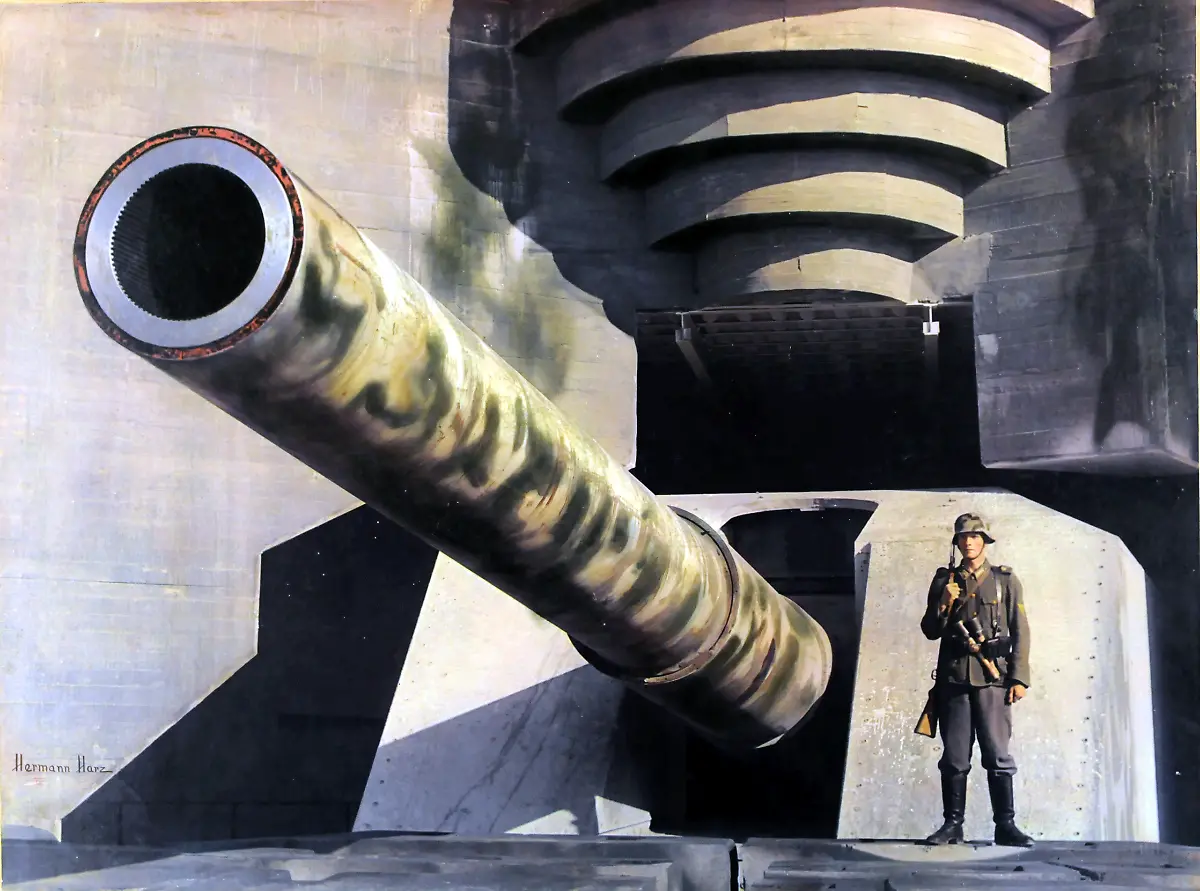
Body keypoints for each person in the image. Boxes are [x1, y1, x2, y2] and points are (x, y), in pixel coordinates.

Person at [919, 513, 1034, 847]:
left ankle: (1006, 826)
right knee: (954, 757)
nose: (968, 542)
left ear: (985, 541)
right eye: (963, 537)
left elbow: (1021, 630)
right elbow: (930, 630)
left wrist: (1019, 678)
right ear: (956, 543)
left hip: (993, 678)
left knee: (998, 755)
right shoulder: (944, 581)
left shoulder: (1005, 580)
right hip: (955, 679)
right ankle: (952, 826)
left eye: (975, 536)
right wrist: (945, 601)